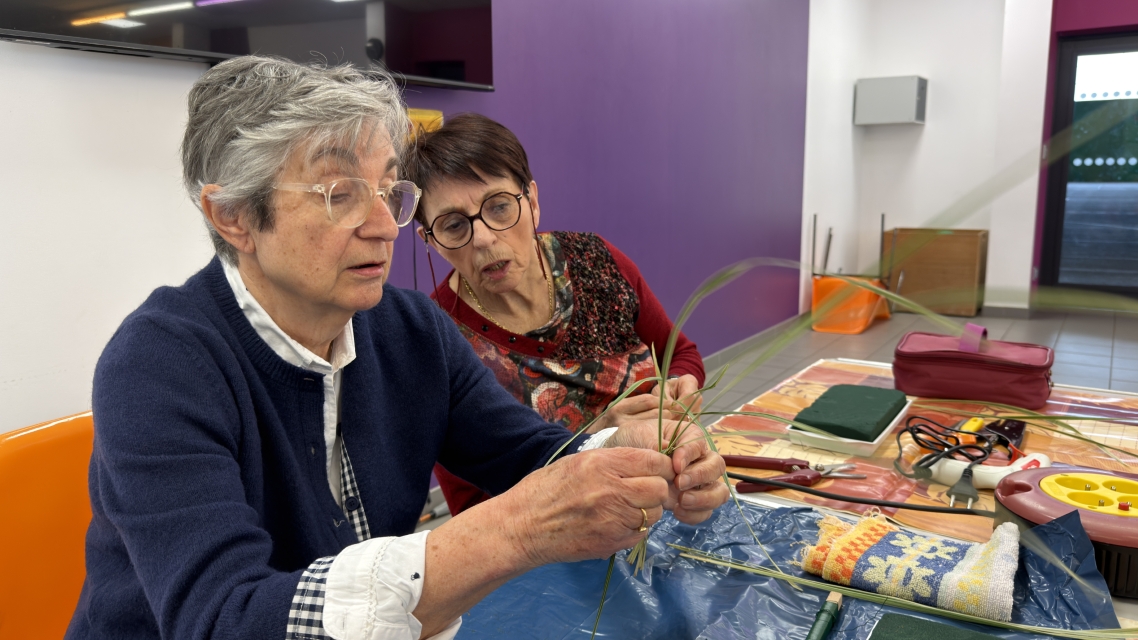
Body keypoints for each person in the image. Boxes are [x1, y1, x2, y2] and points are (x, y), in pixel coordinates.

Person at [65, 57, 729, 640]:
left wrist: (627, 454)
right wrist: (513, 529)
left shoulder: (410, 330)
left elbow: (531, 457)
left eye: (388, 191)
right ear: (233, 216)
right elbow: (220, 619)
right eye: (339, 194)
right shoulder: (160, 365)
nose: (385, 226)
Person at [403, 114, 706, 516]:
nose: (485, 238)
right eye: (454, 225)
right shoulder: (437, 340)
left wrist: (681, 388)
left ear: (532, 201)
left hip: (670, 490)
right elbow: (474, 509)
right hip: (560, 534)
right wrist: (597, 438)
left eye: (499, 207)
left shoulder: (596, 261)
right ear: (431, 241)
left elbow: (681, 354)